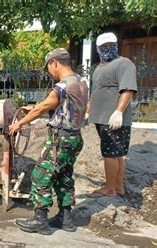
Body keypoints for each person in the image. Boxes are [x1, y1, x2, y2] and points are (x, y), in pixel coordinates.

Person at [9, 48, 88, 235]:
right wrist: (34, 107)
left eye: (48, 68)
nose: (49, 72)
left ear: (54, 63)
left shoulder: (62, 86)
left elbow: (43, 108)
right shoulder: (82, 82)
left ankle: (40, 221)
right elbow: (61, 105)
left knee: (40, 175)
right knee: (64, 176)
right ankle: (66, 219)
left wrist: (18, 124)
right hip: (75, 138)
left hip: (59, 140)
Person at [88, 32, 137, 197]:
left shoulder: (124, 64)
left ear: (116, 45)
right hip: (101, 118)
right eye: (103, 47)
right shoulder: (98, 69)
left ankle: (109, 189)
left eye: (110, 46)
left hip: (113, 119)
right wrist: (88, 111)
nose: (107, 49)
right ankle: (117, 187)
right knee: (116, 154)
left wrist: (118, 111)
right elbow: (96, 92)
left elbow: (128, 89)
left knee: (110, 154)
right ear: (98, 49)